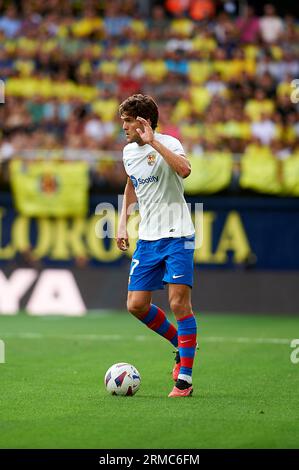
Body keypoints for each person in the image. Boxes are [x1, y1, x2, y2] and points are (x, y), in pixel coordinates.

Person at [116, 94, 197, 397]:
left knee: (179, 304)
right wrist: (123, 219)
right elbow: (131, 182)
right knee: (136, 305)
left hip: (178, 234)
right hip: (148, 237)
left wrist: (154, 143)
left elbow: (185, 170)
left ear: (142, 122)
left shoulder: (170, 143)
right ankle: (181, 343)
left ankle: (184, 380)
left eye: (127, 121)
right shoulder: (127, 152)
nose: (123, 126)